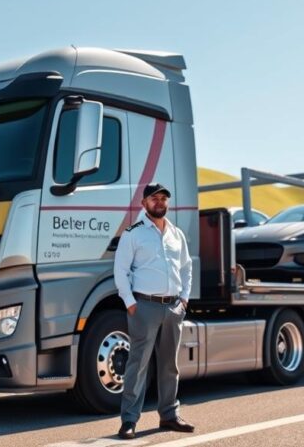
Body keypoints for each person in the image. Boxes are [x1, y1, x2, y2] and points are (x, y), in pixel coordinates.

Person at [113, 182, 195, 440]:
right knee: (137, 365)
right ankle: (129, 421)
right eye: (154, 198)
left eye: (163, 198)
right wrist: (130, 303)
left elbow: (186, 267)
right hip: (144, 307)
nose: (159, 202)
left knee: (170, 365)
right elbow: (120, 271)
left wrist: (183, 300)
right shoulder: (133, 233)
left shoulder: (176, 234)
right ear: (144, 203)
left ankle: (169, 415)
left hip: (173, 307)